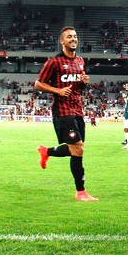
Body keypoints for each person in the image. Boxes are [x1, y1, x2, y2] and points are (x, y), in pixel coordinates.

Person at [35, 26, 98, 201]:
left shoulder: (80, 61)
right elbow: (38, 84)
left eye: (75, 36)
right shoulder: (53, 62)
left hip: (78, 109)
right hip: (62, 110)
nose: (73, 39)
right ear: (62, 41)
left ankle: (46, 151)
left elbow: (79, 86)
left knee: (76, 149)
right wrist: (58, 90)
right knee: (78, 148)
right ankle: (81, 192)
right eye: (69, 36)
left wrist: (84, 82)